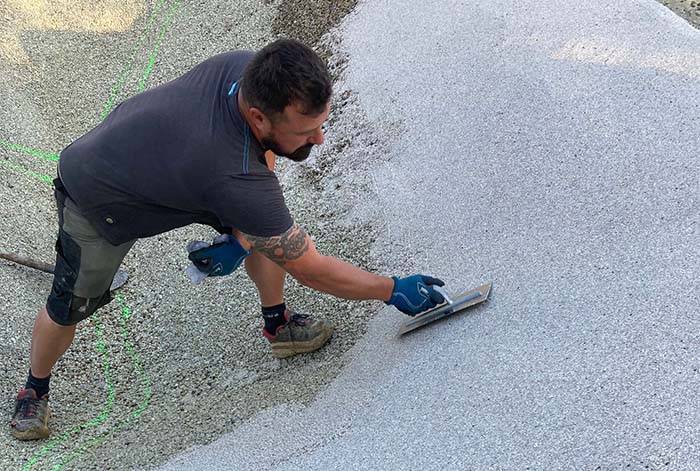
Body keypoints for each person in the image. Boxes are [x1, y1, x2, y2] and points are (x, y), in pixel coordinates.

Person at [10, 39, 445, 441]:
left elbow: (260, 174)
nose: (319, 138)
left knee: (263, 230)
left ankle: (279, 326)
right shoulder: (229, 173)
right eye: (306, 130)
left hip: (170, 162)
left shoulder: (249, 71)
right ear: (259, 116)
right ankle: (34, 390)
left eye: (320, 124)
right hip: (97, 196)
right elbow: (308, 266)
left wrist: (242, 235)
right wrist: (390, 289)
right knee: (70, 305)